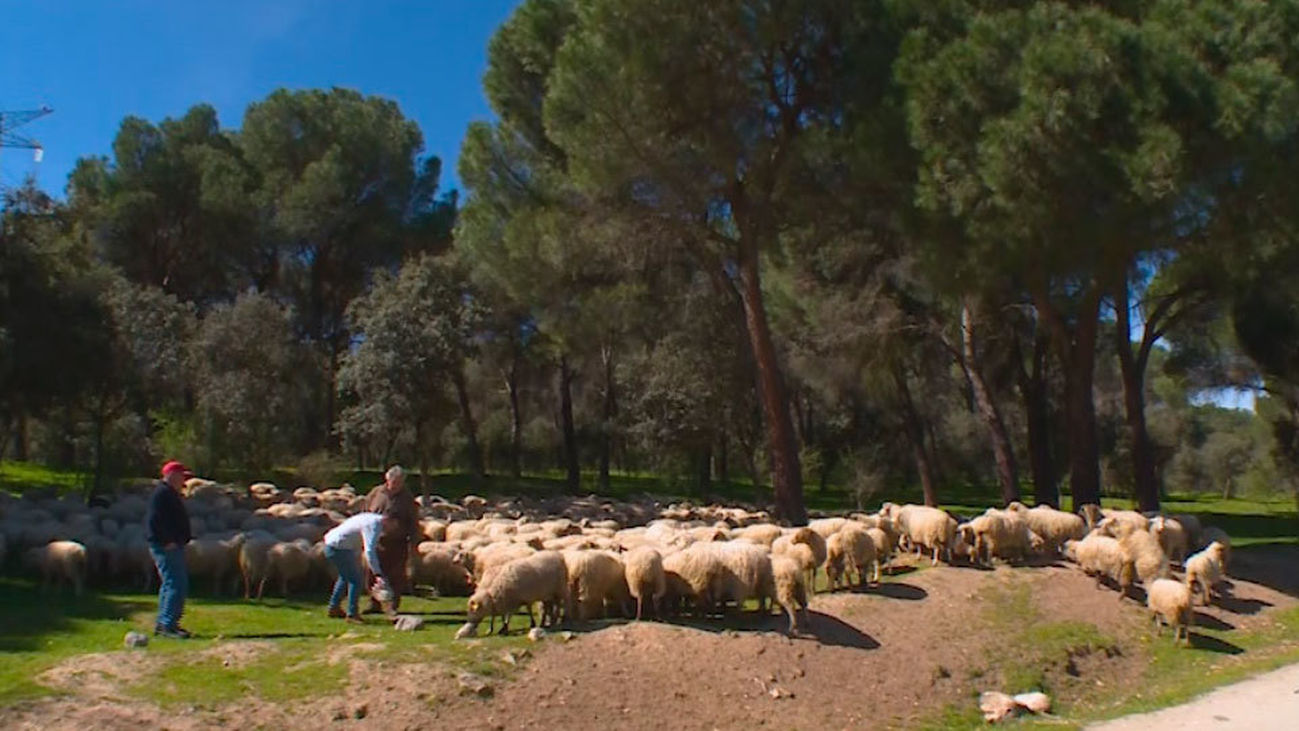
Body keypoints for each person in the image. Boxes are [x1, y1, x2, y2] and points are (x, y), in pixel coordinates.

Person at [147, 460, 194, 639]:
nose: (184, 480)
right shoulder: (162, 494)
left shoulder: (169, 493)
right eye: (182, 476)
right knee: (176, 584)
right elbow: (155, 520)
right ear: (172, 475)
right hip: (167, 546)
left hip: (172, 544)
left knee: (171, 583)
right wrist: (167, 540)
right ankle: (168, 626)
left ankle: (165, 623)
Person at [323, 512, 397, 622]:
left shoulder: (370, 517)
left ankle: (334, 607)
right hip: (339, 548)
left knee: (345, 577)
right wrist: (377, 573)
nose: (392, 529)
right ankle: (352, 614)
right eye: (394, 525)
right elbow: (369, 550)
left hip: (333, 545)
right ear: (388, 520)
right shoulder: (375, 524)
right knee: (356, 580)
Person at [364, 465, 419, 613]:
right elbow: (365, 511)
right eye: (394, 482)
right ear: (387, 479)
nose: (396, 486)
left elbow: (413, 521)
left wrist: (413, 543)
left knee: (396, 575)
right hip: (376, 540)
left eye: (400, 483)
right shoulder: (376, 493)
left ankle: (392, 605)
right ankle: (374, 602)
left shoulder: (407, 498)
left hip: (397, 542)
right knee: (374, 573)